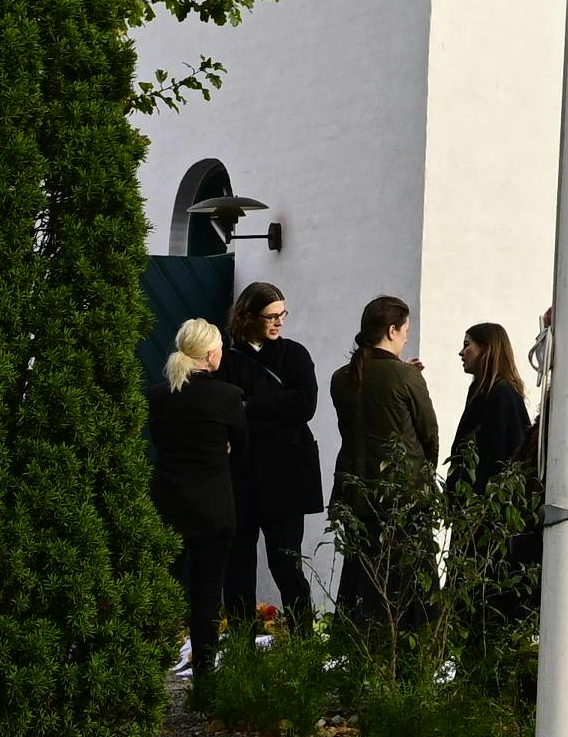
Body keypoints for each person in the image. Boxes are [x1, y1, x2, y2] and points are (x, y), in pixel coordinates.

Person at [330, 296, 439, 644]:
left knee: (362, 573)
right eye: (405, 330)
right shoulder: (405, 376)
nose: (407, 336)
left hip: (355, 487)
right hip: (403, 491)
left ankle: (358, 648)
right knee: (411, 576)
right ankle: (414, 651)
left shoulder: (341, 377)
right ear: (392, 330)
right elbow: (428, 434)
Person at [149, 315, 247, 690]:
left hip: (168, 503)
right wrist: (221, 454)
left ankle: (149, 671)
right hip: (212, 507)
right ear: (210, 354)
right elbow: (243, 451)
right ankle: (205, 682)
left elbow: (161, 442)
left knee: (161, 590)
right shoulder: (227, 396)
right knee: (206, 595)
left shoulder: (159, 395)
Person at [228, 282, 324, 638]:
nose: (279, 322)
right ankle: (241, 645)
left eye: (282, 314)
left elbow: (306, 405)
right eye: (271, 316)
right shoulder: (230, 359)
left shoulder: (294, 355)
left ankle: (303, 642)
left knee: (287, 565)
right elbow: (228, 409)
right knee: (238, 567)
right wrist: (275, 405)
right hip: (244, 477)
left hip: (285, 481)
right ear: (249, 317)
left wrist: (252, 404)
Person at [452, 320, 534, 491]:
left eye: (467, 345)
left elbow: (501, 453)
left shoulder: (503, 393)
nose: (461, 352)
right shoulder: (480, 391)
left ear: (486, 348)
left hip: (487, 500)